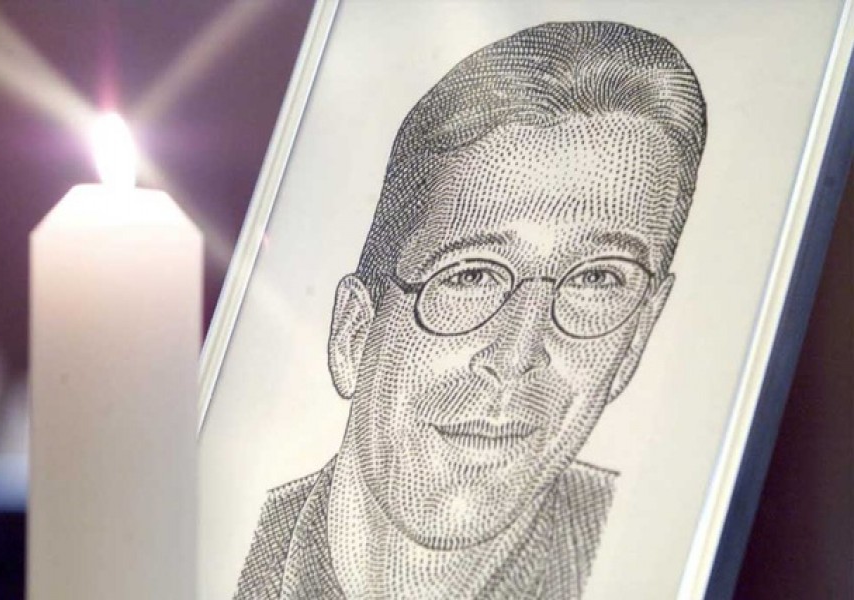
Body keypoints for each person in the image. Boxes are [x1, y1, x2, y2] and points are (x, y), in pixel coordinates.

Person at [236, 20, 706, 599]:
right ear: (354, 334)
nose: (517, 356)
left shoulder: (665, 558)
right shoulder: (223, 544)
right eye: (473, 274)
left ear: (638, 335)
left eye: (597, 278)